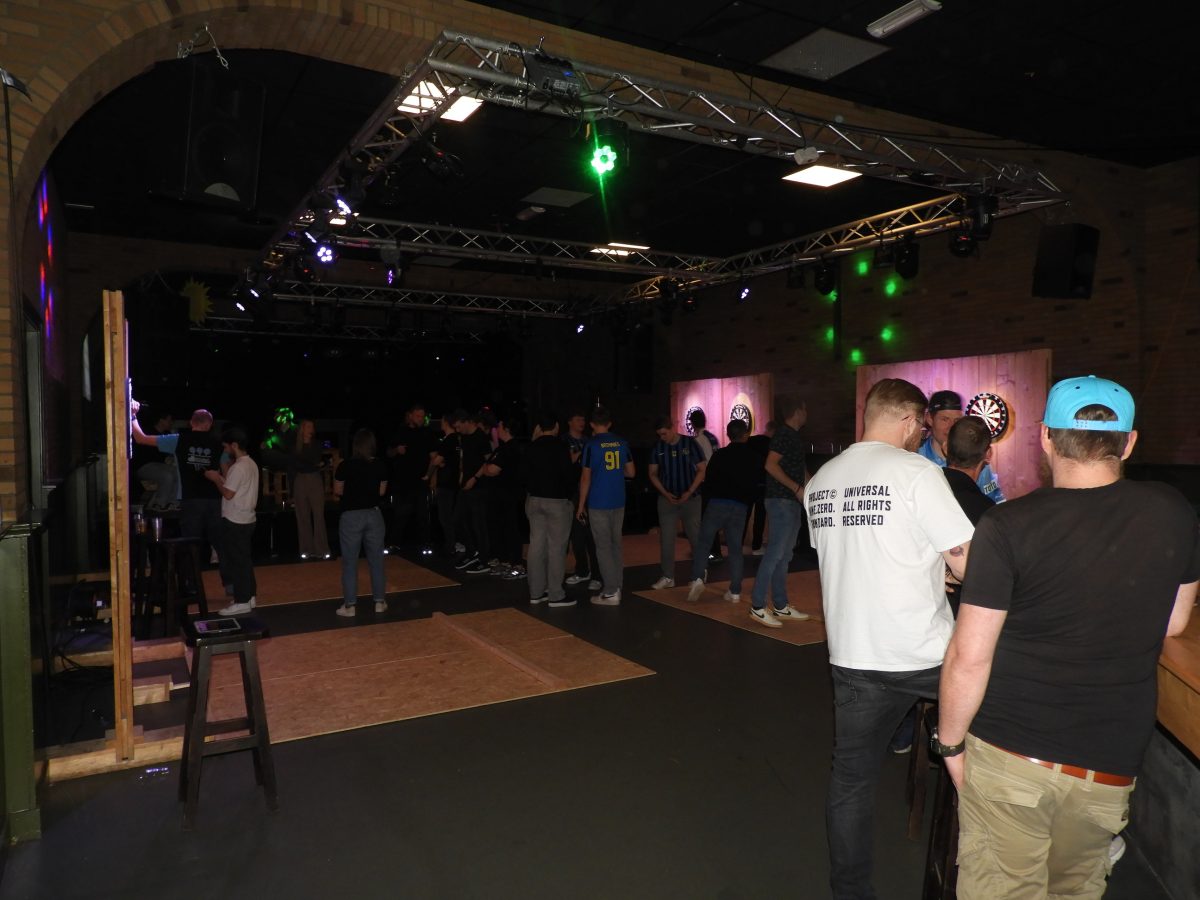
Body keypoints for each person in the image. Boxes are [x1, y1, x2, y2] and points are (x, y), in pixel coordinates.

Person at [936, 375, 1199, 899]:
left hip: (1010, 752)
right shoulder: (1174, 512)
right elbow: (1174, 621)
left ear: (1045, 439)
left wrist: (949, 743)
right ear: (1129, 443)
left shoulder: (1007, 525)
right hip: (1108, 761)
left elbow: (970, 656)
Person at [802, 378, 973, 899]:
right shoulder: (916, 472)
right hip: (923, 654)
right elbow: (969, 564)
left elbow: (860, 555)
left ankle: (851, 893)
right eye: (922, 425)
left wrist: (930, 569)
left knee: (851, 783)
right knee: (996, 741)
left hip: (853, 655)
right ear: (907, 420)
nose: (922, 435)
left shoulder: (820, 481)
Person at [131, 403, 228, 590]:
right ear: (210, 424)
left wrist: (133, 416)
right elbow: (227, 473)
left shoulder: (179, 440)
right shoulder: (218, 444)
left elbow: (141, 438)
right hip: (214, 500)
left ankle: (190, 586)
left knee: (190, 547)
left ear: (191, 422)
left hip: (190, 500)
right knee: (221, 544)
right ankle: (231, 584)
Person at [748, 395, 812, 627]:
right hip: (781, 501)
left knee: (784, 556)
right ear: (798, 411)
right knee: (775, 554)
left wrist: (809, 490)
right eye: (805, 409)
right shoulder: (784, 434)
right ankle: (757, 606)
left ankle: (780, 605)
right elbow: (770, 464)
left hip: (790, 502)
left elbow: (800, 469)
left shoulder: (793, 436)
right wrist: (796, 488)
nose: (807, 413)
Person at [685, 419, 758, 604]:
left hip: (717, 504)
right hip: (739, 506)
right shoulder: (753, 457)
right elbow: (755, 484)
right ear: (746, 434)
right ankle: (735, 591)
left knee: (704, 543)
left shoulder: (719, 455)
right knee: (735, 549)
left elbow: (708, 481)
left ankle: (698, 578)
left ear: (728, 435)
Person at [576, 406, 635, 607]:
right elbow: (631, 472)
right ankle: (617, 586)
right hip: (618, 500)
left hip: (598, 502)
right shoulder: (622, 443)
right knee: (615, 544)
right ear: (610, 423)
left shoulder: (591, 445)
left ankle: (610, 591)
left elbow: (585, 477)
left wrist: (580, 505)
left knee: (603, 547)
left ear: (592, 424)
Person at [333, 428, 389, 618]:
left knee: (350, 562)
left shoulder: (345, 465)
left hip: (351, 516)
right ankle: (379, 602)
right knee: (377, 561)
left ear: (355, 445)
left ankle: (350, 606)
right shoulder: (380, 465)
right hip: (373, 515)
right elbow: (381, 491)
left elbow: (338, 490)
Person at [204, 426, 260, 617]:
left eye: (226, 446)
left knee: (236, 562)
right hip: (247, 518)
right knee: (244, 560)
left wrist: (215, 479)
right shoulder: (251, 464)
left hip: (235, 519)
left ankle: (242, 601)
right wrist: (221, 477)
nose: (225, 450)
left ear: (234, 445)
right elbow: (234, 487)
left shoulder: (238, 467)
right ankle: (249, 597)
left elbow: (228, 493)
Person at [523, 411, 576, 606]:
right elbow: (568, 474)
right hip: (556, 501)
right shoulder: (561, 446)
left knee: (536, 546)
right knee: (557, 548)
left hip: (534, 499)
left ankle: (536, 592)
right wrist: (569, 497)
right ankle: (555, 594)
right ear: (556, 427)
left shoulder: (531, 447)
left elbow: (523, 474)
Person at [647, 416, 706, 589]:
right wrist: (664, 492)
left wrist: (690, 491)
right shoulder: (658, 447)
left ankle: (699, 574)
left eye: (664, 433)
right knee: (666, 539)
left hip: (691, 499)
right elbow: (652, 473)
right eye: (659, 434)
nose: (662, 437)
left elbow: (702, 470)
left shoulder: (690, 443)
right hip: (667, 499)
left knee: (694, 537)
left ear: (672, 428)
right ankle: (667, 576)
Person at [917, 390, 1005, 502]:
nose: (951, 427)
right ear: (929, 419)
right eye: (945, 419)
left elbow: (994, 505)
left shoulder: (977, 460)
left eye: (957, 420)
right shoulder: (916, 457)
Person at [387, 403, 435, 553]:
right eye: (418, 416)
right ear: (411, 416)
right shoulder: (401, 431)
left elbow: (433, 456)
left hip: (421, 480)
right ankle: (394, 543)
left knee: (422, 514)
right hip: (404, 480)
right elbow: (389, 452)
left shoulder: (427, 433)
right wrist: (397, 450)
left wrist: (429, 475)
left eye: (422, 416)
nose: (420, 419)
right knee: (401, 513)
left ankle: (425, 543)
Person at [453, 410, 495, 575]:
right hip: (466, 485)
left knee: (479, 524)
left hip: (479, 487)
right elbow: (464, 458)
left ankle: (484, 559)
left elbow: (488, 460)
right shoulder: (464, 437)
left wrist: (475, 478)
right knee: (458, 519)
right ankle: (472, 552)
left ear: (467, 422)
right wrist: (462, 476)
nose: (458, 430)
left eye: (459, 426)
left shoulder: (481, 437)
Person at [563, 410, 601, 591]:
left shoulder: (589, 441)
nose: (582, 422)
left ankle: (597, 574)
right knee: (576, 535)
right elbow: (566, 462)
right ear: (569, 421)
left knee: (592, 536)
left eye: (584, 419)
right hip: (573, 492)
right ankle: (582, 569)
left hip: (591, 492)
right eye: (578, 418)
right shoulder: (564, 441)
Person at [290, 418, 331, 561]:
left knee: (318, 515)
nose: (311, 429)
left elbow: (318, 461)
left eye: (312, 427)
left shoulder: (317, 444)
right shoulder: (295, 446)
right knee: (302, 516)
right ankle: (306, 549)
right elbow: (295, 465)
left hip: (314, 479)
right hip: (300, 479)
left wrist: (317, 464)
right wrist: (314, 465)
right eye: (308, 426)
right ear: (302, 428)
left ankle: (321, 549)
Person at [688, 407, 724, 563]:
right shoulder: (713, 438)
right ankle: (715, 551)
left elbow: (697, 465)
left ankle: (710, 551)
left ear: (692, 424)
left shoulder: (697, 441)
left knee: (704, 519)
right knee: (712, 517)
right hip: (717, 481)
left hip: (705, 482)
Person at [428, 413, 461, 558]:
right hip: (453, 482)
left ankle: (451, 544)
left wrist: (428, 474)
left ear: (446, 422)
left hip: (446, 483)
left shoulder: (448, 440)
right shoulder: (457, 440)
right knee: (449, 514)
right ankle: (453, 543)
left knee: (445, 516)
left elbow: (436, 460)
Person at [745, 421, 774, 555]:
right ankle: (756, 546)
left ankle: (738, 544)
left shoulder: (750, 441)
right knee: (760, 516)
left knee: (745, 514)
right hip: (763, 483)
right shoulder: (772, 445)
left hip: (749, 482)